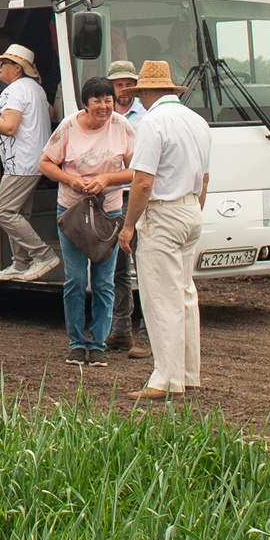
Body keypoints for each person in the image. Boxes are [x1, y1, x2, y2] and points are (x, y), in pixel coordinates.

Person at [123, 59, 214, 402]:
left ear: (146, 91)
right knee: (185, 294)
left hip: (163, 212)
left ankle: (165, 378)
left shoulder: (152, 122)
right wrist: (192, 211)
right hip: (191, 208)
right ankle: (189, 374)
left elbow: (143, 182)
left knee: (160, 297)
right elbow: (204, 178)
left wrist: (129, 225)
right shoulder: (198, 121)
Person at [40, 76, 138, 364]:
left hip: (108, 213)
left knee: (104, 281)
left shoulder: (123, 127)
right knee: (76, 279)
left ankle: (97, 344)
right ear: (85, 103)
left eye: (108, 100)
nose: (104, 106)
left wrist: (107, 178)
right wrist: (70, 179)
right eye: (97, 100)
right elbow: (44, 163)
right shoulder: (69, 127)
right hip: (73, 213)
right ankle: (76, 342)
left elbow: (136, 171)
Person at [0, 43, 58, 280]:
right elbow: (50, 113)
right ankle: (20, 263)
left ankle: (43, 255)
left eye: (3, 63)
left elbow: (9, 126)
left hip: (21, 164)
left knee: (3, 210)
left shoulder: (15, 90)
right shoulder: (34, 88)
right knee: (19, 214)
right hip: (31, 162)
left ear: (17, 67)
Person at [104, 60, 150, 357]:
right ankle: (121, 326)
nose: (123, 89)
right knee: (118, 267)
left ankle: (148, 327)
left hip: (137, 195)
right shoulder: (101, 116)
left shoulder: (146, 118)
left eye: (127, 83)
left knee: (145, 262)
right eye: (118, 84)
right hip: (111, 197)